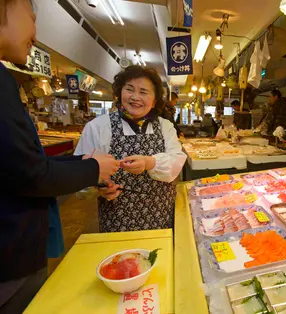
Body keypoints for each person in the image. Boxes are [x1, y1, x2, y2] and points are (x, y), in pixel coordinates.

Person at [0, 1, 120, 312]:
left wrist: (83, 165)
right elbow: (30, 174)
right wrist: (93, 168)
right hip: (9, 256)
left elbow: (19, 165)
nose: (35, 34)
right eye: (32, 18)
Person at [75, 65, 187, 232]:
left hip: (161, 213)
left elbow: (176, 161)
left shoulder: (165, 127)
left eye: (143, 92)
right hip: (117, 216)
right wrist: (99, 188)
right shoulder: (98, 127)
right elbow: (79, 175)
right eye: (129, 89)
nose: (135, 97)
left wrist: (150, 162)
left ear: (154, 100)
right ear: (119, 93)